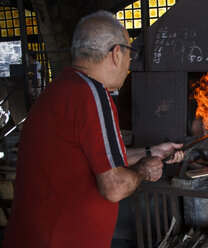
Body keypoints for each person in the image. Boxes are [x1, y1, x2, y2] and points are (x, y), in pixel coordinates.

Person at [3, 10, 184, 248]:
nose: (129, 63)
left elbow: (95, 161)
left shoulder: (62, 88)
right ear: (117, 53)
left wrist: (152, 152)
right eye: (131, 54)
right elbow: (115, 186)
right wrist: (145, 171)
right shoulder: (92, 94)